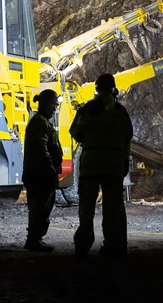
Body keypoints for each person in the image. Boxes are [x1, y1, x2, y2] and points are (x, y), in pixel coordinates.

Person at [70, 73, 134, 258]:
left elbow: (75, 132)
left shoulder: (86, 110)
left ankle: (82, 247)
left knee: (86, 208)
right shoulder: (120, 111)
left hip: (90, 164)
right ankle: (113, 246)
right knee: (112, 209)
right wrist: (124, 161)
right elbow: (127, 136)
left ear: (96, 89)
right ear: (114, 89)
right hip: (113, 165)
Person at [22, 88, 63, 252]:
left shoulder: (41, 122)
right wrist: (50, 168)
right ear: (45, 104)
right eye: (53, 105)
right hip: (40, 174)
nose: (54, 109)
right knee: (40, 208)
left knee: (40, 207)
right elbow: (42, 147)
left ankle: (34, 239)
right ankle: (34, 240)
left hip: (39, 173)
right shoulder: (39, 122)